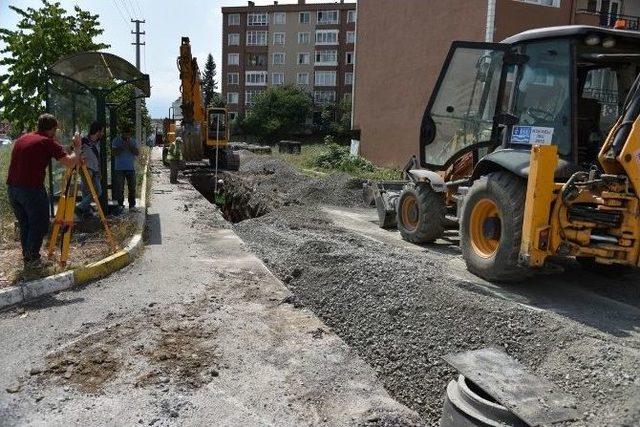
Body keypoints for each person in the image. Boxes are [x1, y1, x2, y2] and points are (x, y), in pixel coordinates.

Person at [6, 113, 81, 266]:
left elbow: (55, 151)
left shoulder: (24, 138)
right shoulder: (46, 142)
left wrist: (66, 148)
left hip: (13, 189)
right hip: (31, 190)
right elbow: (69, 162)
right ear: (52, 129)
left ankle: (28, 258)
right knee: (40, 223)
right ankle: (33, 259)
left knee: (26, 223)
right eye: (56, 130)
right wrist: (78, 149)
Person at [76, 121, 105, 218]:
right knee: (87, 191)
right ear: (98, 131)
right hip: (86, 169)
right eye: (102, 131)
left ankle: (81, 207)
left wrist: (99, 170)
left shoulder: (98, 142)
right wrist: (81, 159)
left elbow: (98, 157)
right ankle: (85, 211)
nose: (103, 134)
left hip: (96, 170)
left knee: (98, 191)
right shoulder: (84, 140)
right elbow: (74, 151)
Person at [111, 126, 139, 212]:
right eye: (125, 134)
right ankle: (120, 205)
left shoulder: (133, 141)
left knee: (132, 187)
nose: (127, 136)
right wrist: (122, 146)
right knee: (120, 188)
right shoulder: (116, 140)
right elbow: (113, 153)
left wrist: (130, 147)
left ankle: (132, 205)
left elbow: (137, 153)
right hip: (119, 169)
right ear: (122, 133)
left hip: (130, 168)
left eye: (128, 134)